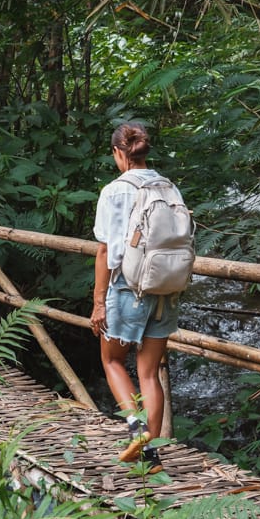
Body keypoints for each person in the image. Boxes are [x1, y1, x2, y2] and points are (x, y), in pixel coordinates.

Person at [90, 122, 179, 474]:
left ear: (118, 153)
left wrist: (98, 302)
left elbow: (104, 251)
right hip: (167, 287)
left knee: (112, 361)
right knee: (148, 373)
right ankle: (151, 455)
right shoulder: (168, 186)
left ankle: (137, 430)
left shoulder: (114, 191)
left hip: (128, 287)